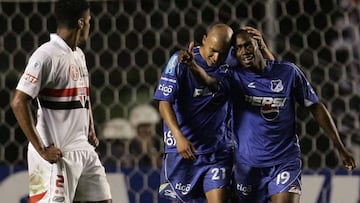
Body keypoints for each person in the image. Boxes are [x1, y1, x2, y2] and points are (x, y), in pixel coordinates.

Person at [179, 26, 356, 203]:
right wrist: (192, 66)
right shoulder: (234, 78)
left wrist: (339, 147)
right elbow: (210, 82)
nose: (244, 52)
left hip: (285, 161)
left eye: (248, 45)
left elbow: (315, 106)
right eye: (238, 49)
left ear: (258, 44)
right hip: (248, 165)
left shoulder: (288, 72)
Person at [10, 0, 112, 202]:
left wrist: (90, 125)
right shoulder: (46, 55)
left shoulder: (78, 54)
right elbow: (18, 102)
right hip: (57, 152)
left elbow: (83, 94)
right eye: (90, 21)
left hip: (83, 148)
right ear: (81, 23)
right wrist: (42, 150)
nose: (91, 26)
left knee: (104, 200)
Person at [153, 23, 234, 203]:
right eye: (213, 50)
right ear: (204, 40)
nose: (216, 57)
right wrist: (178, 136)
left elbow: (211, 83)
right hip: (183, 151)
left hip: (216, 151)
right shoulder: (178, 61)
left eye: (223, 52)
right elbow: (164, 102)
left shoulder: (230, 66)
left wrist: (193, 67)